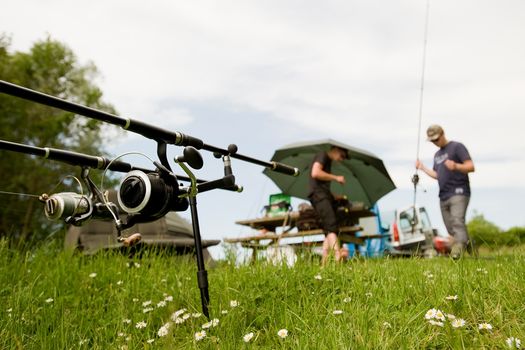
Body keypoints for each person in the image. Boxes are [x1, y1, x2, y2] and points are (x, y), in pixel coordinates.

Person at [416, 124, 475, 258]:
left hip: (459, 191)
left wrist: (456, 166)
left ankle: (457, 250)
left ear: (443, 134)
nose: (435, 143)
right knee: (450, 227)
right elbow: (437, 175)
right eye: (432, 141)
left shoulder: (457, 147)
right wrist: (422, 168)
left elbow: (471, 166)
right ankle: (471, 250)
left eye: (436, 139)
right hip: (443, 195)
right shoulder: (437, 155)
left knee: (457, 221)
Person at [308, 146, 348, 265]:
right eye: (342, 156)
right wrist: (336, 178)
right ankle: (337, 256)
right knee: (332, 226)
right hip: (319, 196)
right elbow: (315, 173)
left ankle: (324, 263)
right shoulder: (323, 155)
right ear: (336, 149)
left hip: (322, 195)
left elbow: (320, 185)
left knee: (327, 229)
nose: (341, 159)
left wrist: (334, 196)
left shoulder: (328, 161)